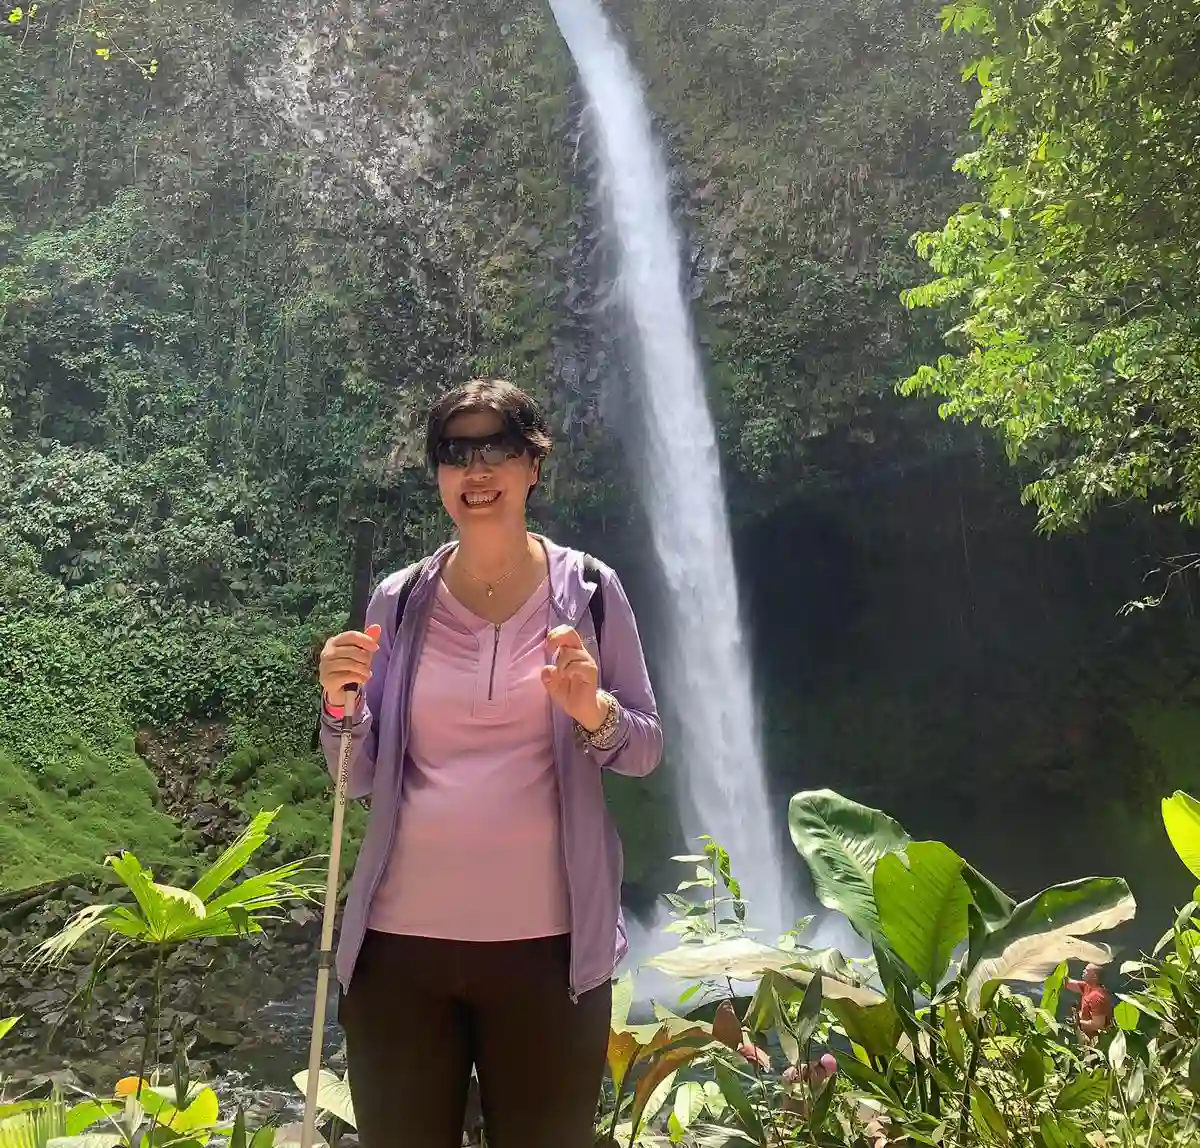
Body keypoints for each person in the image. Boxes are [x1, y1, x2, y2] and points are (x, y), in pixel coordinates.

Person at [316, 379, 664, 1148]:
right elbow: (354, 775)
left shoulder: (592, 593)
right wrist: (340, 705)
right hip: (399, 954)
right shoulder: (398, 601)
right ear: (438, 474)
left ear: (533, 465)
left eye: (497, 448)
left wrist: (593, 710)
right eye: (455, 453)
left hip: (550, 958)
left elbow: (644, 748)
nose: (476, 470)